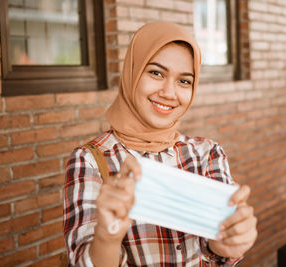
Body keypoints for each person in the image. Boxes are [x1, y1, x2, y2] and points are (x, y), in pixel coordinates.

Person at [63, 21, 257, 266]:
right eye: (156, 73)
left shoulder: (207, 154)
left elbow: (218, 251)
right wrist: (107, 237)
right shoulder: (90, 160)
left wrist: (227, 241)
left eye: (184, 81)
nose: (169, 92)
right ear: (133, 72)